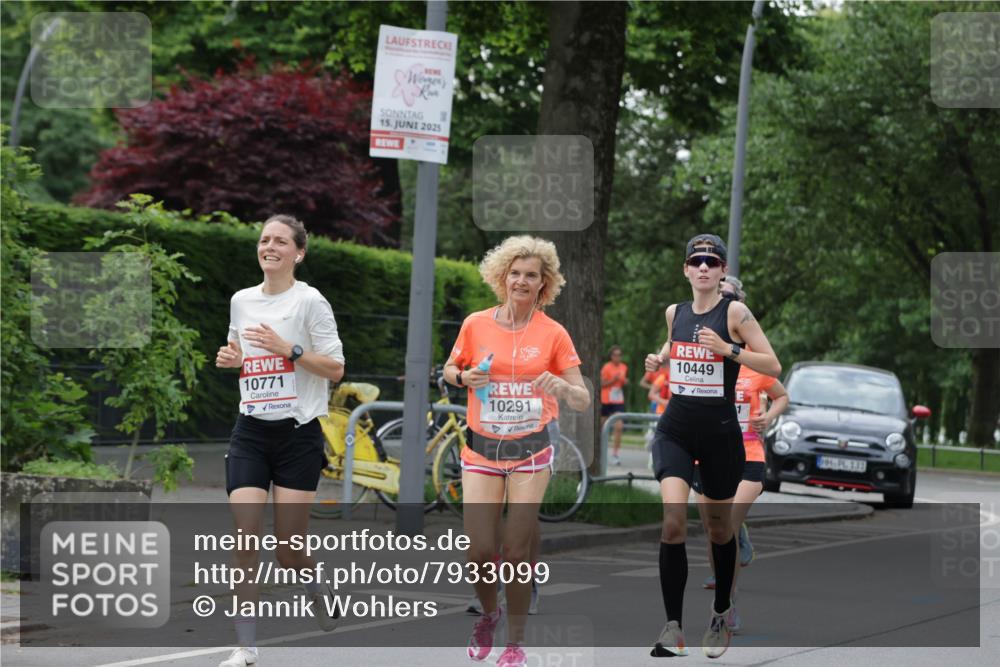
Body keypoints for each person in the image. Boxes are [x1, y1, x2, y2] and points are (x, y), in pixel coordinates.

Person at [444, 236, 590, 667]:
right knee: (477, 551)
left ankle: (516, 643)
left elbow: (581, 396)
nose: (521, 281)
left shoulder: (553, 333)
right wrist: (462, 377)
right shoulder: (475, 323)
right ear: (501, 277)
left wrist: (563, 386)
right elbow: (452, 368)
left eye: (531, 275)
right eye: (515, 273)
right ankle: (490, 615)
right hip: (482, 451)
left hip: (530, 453)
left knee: (515, 549)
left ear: (544, 283)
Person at [214, 215, 346, 667]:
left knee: (289, 549)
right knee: (245, 536)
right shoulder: (241, 300)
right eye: (264, 239)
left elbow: (335, 368)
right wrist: (232, 358)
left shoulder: (311, 302)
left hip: (297, 435)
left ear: (299, 252)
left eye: (280, 241)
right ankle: (246, 646)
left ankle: (312, 579)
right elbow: (237, 351)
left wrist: (287, 348)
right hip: (250, 430)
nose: (269, 246)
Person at [644, 234, 780, 659]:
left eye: (712, 261)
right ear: (686, 269)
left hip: (721, 434)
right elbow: (675, 342)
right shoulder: (675, 312)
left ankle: (721, 610)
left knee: (720, 531)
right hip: (676, 429)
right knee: (672, 523)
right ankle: (673, 628)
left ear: (722, 272)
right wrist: (660, 358)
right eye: (696, 260)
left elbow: (772, 364)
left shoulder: (735, 311)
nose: (704, 267)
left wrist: (729, 350)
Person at [694, 277, 789, 634]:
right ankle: (726, 592)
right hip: (707, 454)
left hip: (748, 452)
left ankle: (725, 605)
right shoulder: (703, 361)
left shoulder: (753, 362)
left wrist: (768, 415)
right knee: (713, 531)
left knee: (727, 526)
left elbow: (781, 394)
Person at [600, 345, 628, 465]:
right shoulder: (606, 367)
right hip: (606, 400)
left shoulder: (624, 367)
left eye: (619, 355)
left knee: (619, 426)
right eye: (615, 355)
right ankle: (601, 452)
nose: (617, 357)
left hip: (618, 401)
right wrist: (613, 380)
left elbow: (623, 381)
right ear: (611, 356)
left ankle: (615, 454)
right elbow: (601, 384)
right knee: (602, 428)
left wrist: (625, 381)